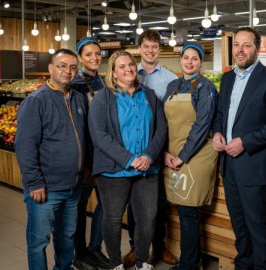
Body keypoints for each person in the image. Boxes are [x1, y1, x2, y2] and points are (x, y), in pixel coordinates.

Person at [212, 27, 266, 270]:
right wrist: (216, 132)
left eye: (246, 45)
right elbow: (221, 114)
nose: (240, 50)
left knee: (258, 225)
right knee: (239, 225)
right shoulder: (227, 78)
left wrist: (245, 141)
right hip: (230, 165)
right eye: (237, 45)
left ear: (257, 48)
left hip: (254, 165)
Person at [88, 50, 167, 270]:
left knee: (147, 219)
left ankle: (142, 262)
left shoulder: (149, 95)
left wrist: (149, 155)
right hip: (114, 171)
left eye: (131, 64)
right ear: (113, 73)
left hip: (147, 170)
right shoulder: (102, 98)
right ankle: (115, 264)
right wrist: (130, 159)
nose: (128, 69)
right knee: (113, 219)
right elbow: (99, 135)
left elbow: (161, 128)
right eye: (121, 67)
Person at [15, 48, 86, 270]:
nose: (68, 71)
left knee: (67, 239)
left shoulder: (78, 98)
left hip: (73, 187)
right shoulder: (36, 101)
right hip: (45, 189)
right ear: (51, 68)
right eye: (63, 66)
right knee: (38, 242)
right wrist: (34, 182)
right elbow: (24, 146)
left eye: (73, 67)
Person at [123, 29, 178, 268]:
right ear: (139, 48)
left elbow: (170, 117)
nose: (150, 50)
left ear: (160, 49)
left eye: (155, 47)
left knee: (159, 202)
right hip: (133, 150)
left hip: (159, 147)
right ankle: (136, 247)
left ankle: (159, 244)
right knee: (134, 204)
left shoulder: (169, 78)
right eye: (146, 46)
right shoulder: (128, 74)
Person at [162, 43, 218, 270]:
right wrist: (164, 152)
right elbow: (165, 123)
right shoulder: (173, 85)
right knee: (181, 210)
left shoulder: (206, 88)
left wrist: (182, 157)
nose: (189, 62)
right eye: (186, 57)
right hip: (173, 153)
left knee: (188, 211)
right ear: (181, 60)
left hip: (197, 154)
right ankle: (192, 261)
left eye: (195, 58)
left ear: (201, 62)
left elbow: (202, 126)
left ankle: (189, 264)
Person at [71, 37, 111, 270]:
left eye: (97, 53)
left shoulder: (104, 82)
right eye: (88, 54)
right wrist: (84, 160)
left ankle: (95, 248)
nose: (95, 58)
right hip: (86, 158)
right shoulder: (75, 85)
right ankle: (80, 253)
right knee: (79, 208)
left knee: (106, 204)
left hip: (105, 155)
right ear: (80, 57)